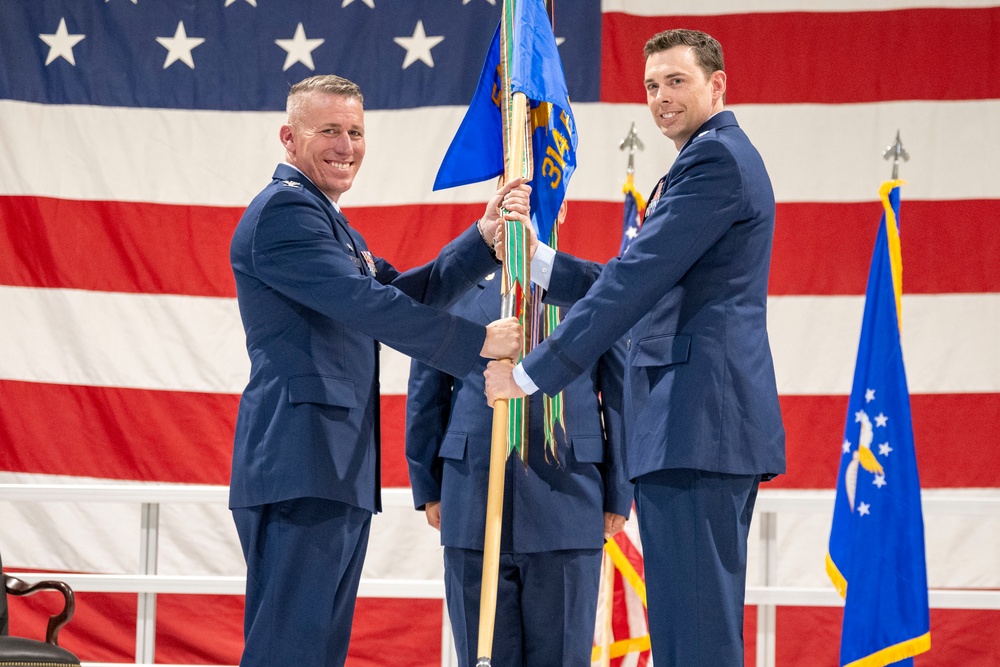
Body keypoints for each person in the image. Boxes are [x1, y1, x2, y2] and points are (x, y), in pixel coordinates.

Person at [484, 29, 786, 666]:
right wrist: (537, 261)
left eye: (677, 81)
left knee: (696, 633)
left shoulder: (717, 161)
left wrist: (534, 375)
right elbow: (637, 280)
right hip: (687, 424)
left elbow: (633, 281)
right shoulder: (703, 162)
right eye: (651, 85)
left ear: (717, 85)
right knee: (686, 627)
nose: (661, 98)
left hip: (699, 419)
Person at [228, 74, 530, 667]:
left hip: (330, 466)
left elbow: (399, 293)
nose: (346, 145)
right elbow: (372, 307)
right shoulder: (287, 212)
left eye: (356, 132)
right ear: (289, 137)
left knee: (315, 651)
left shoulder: (327, 220)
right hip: (301, 460)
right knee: (289, 649)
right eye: (329, 131)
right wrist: (480, 346)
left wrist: (482, 238)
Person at [405, 207, 633, 667]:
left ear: (559, 207)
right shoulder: (455, 287)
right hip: (472, 495)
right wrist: (428, 485)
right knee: (483, 655)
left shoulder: (589, 290)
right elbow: (426, 394)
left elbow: (620, 397)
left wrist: (619, 491)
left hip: (569, 497)